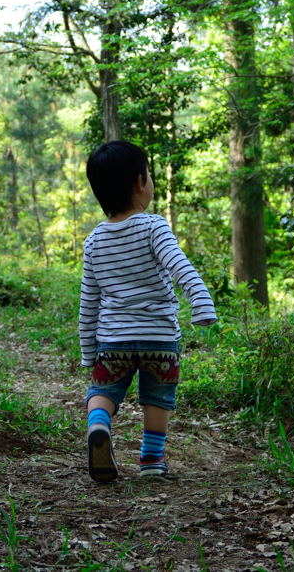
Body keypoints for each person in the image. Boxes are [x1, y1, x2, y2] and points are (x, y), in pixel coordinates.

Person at [80, 140, 217, 482]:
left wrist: (88, 351)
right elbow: (179, 266)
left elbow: (89, 302)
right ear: (140, 183)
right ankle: (151, 462)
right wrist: (201, 302)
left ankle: (98, 428)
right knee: (158, 396)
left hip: (113, 340)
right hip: (159, 337)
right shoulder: (153, 226)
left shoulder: (94, 241)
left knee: (103, 392)